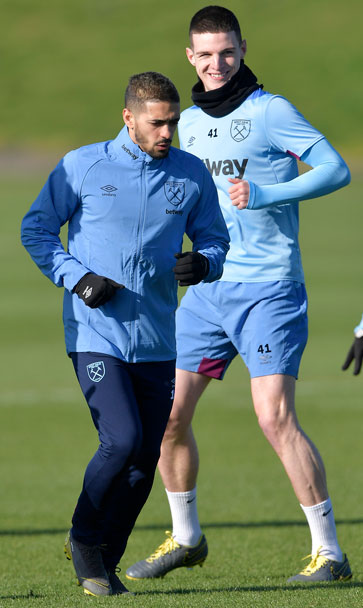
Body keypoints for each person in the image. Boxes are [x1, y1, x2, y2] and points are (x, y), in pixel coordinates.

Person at [125, 6, 353, 584]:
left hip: (269, 288)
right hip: (207, 289)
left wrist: (269, 192)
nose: (217, 64)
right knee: (168, 416)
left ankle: (330, 553)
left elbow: (336, 169)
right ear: (190, 58)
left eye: (226, 52)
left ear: (243, 48)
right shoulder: (189, 123)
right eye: (205, 55)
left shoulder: (271, 112)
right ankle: (186, 536)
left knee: (273, 417)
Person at [21, 71, 230, 597]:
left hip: (158, 337)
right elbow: (37, 230)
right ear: (128, 118)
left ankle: (103, 562)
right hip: (96, 334)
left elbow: (216, 239)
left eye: (174, 122)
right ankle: (83, 538)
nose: (167, 133)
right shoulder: (82, 165)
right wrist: (78, 278)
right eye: (157, 123)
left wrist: (203, 263)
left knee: (143, 461)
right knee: (124, 440)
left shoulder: (190, 174)